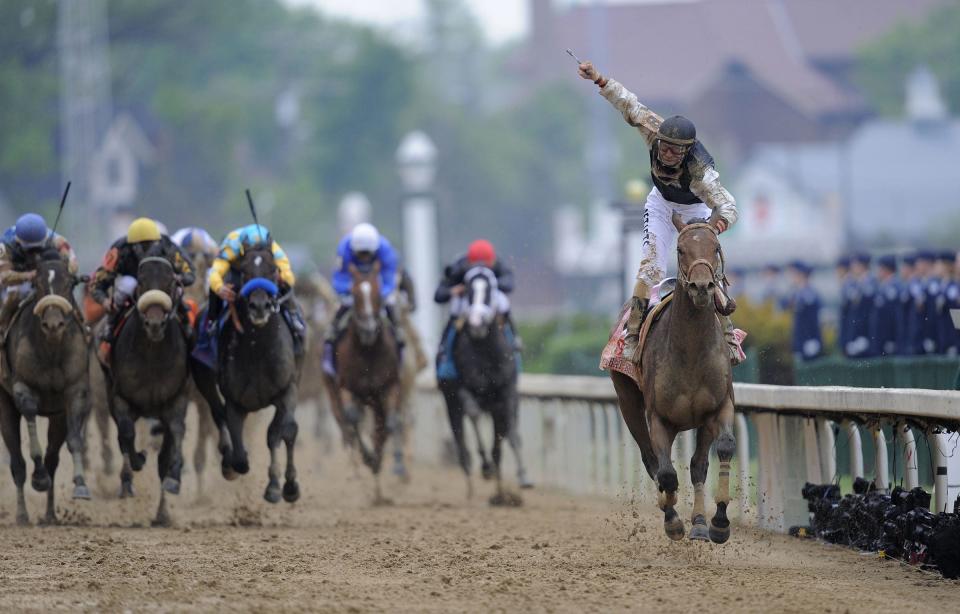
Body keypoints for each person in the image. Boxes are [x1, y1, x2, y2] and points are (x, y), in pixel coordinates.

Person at [577, 59, 741, 363]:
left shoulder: (702, 171)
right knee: (651, 265)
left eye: (674, 151)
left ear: (687, 151)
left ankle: (727, 332)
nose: (666, 153)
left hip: (696, 209)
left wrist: (711, 229)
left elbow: (728, 206)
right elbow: (628, 103)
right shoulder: (654, 131)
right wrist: (598, 78)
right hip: (661, 204)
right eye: (664, 147)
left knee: (705, 266)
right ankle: (634, 334)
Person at [89, 218, 196, 359]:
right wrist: (105, 302)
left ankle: (186, 325)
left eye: (149, 244)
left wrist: (179, 279)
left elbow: (189, 272)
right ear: (131, 244)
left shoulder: (167, 246)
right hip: (134, 285)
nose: (145, 248)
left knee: (177, 289)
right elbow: (98, 282)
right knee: (127, 284)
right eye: (140, 245)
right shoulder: (120, 249)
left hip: (161, 284)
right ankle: (111, 323)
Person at [205, 223, 304, 354]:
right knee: (217, 288)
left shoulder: (273, 248)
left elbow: (289, 276)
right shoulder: (232, 245)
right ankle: (213, 319)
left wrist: (283, 277)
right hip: (239, 270)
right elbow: (214, 273)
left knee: (284, 286)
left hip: (263, 271)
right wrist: (219, 288)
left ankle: (293, 315)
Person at [434, 239, 517, 381]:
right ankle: (445, 352)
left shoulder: (498, 264)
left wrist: (489, 284)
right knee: (455, 313)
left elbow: (509, 283)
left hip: (489, 301)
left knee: (504, 305)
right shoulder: (459, 266)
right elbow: (439, 295)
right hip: (467, 302)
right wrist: (453, 291)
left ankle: (514, 345)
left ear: (492, 262)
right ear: (469, 262)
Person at [323, 223, 400, 375]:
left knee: (392, 305)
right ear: (353, 250)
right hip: (354, 289)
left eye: (368, 254)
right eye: (360, 254)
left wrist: (377, 294)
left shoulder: (386, 250)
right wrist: (350, 291)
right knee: (340, 308)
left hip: (378, 288)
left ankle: (399, 334)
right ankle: (331, 337)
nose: (364, 258)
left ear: (375, 251)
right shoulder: (344, 248)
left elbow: (389, 278)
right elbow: (339, 277)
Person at [0, 213, 79, 334]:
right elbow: (3, 277)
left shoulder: (56, 239)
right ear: (18, 241)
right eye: (30, 250)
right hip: (18, 281)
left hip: (45, 277)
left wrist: (62, 271)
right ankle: (2, 329)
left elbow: (73, 264)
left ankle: (81, 325)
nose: (34, 253)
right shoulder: (5, 245)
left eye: (38, 248)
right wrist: (28, 276)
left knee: (63, 291)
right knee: (13, 295)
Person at [782, 261, 822, 362]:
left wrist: (813, 339)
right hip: (799, 341)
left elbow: (812, 320)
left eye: (794, 274)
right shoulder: (796, 292)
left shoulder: (810, 294)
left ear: (801, 275)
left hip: (810, 341)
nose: (792, 278)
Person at [869, 255, 901, 357]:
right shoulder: (883, 286)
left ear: (885, 269)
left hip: (889, 340)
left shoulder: (894, 288)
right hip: (881, 340)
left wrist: (891, 339)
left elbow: (892, 317)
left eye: (880, 268)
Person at [844, 253, 874, 358]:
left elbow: (869, 311)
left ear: (862, 266)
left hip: (866, 334)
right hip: (856, 334)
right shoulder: (856, 283)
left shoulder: (871, 283)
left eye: (855, 265)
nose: (852, 268)